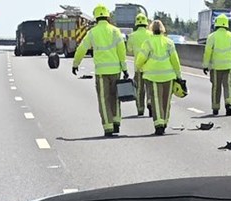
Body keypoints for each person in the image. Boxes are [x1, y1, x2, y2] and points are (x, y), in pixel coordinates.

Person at [72, 5, 130, 137]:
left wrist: (76, 64)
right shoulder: (115, 31)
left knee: (104, 99)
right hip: (115, 70)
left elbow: (82, 48)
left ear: (96, 17)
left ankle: (108, 127)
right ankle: (116, 122)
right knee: (115, 97)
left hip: (101, 72)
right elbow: (122, 51)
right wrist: (125, 69)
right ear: (108, 16)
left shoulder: (92, 32)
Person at [140, 19, 180, 135]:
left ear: (151, 29)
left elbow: (141, 58)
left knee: (156, 100)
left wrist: (139, 67)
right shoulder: (169, 43)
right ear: (163, 29)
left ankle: (159, 124)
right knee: (166, 101)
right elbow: (175, 60)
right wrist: (178, 75)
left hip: (152, 76)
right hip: (168, 75)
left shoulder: (148, 43)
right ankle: (165, 121)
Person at [202, 12, 231, 116]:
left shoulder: (212, 37)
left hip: (215, 67)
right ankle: (229, 104)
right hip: (228, 67)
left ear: (216, 24)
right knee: (228, 86)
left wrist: (205, 65)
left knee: (216, 87)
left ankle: (215, 107)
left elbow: (207, 52)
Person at [129, 13, 152, 116]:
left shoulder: (132, 36)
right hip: (150, 67)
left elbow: (129, 49)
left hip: (138, 67)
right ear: (146, 23)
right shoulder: (151, 35)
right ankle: (150, 101)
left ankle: (140, 109)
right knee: (150, 87)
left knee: (139, 89)